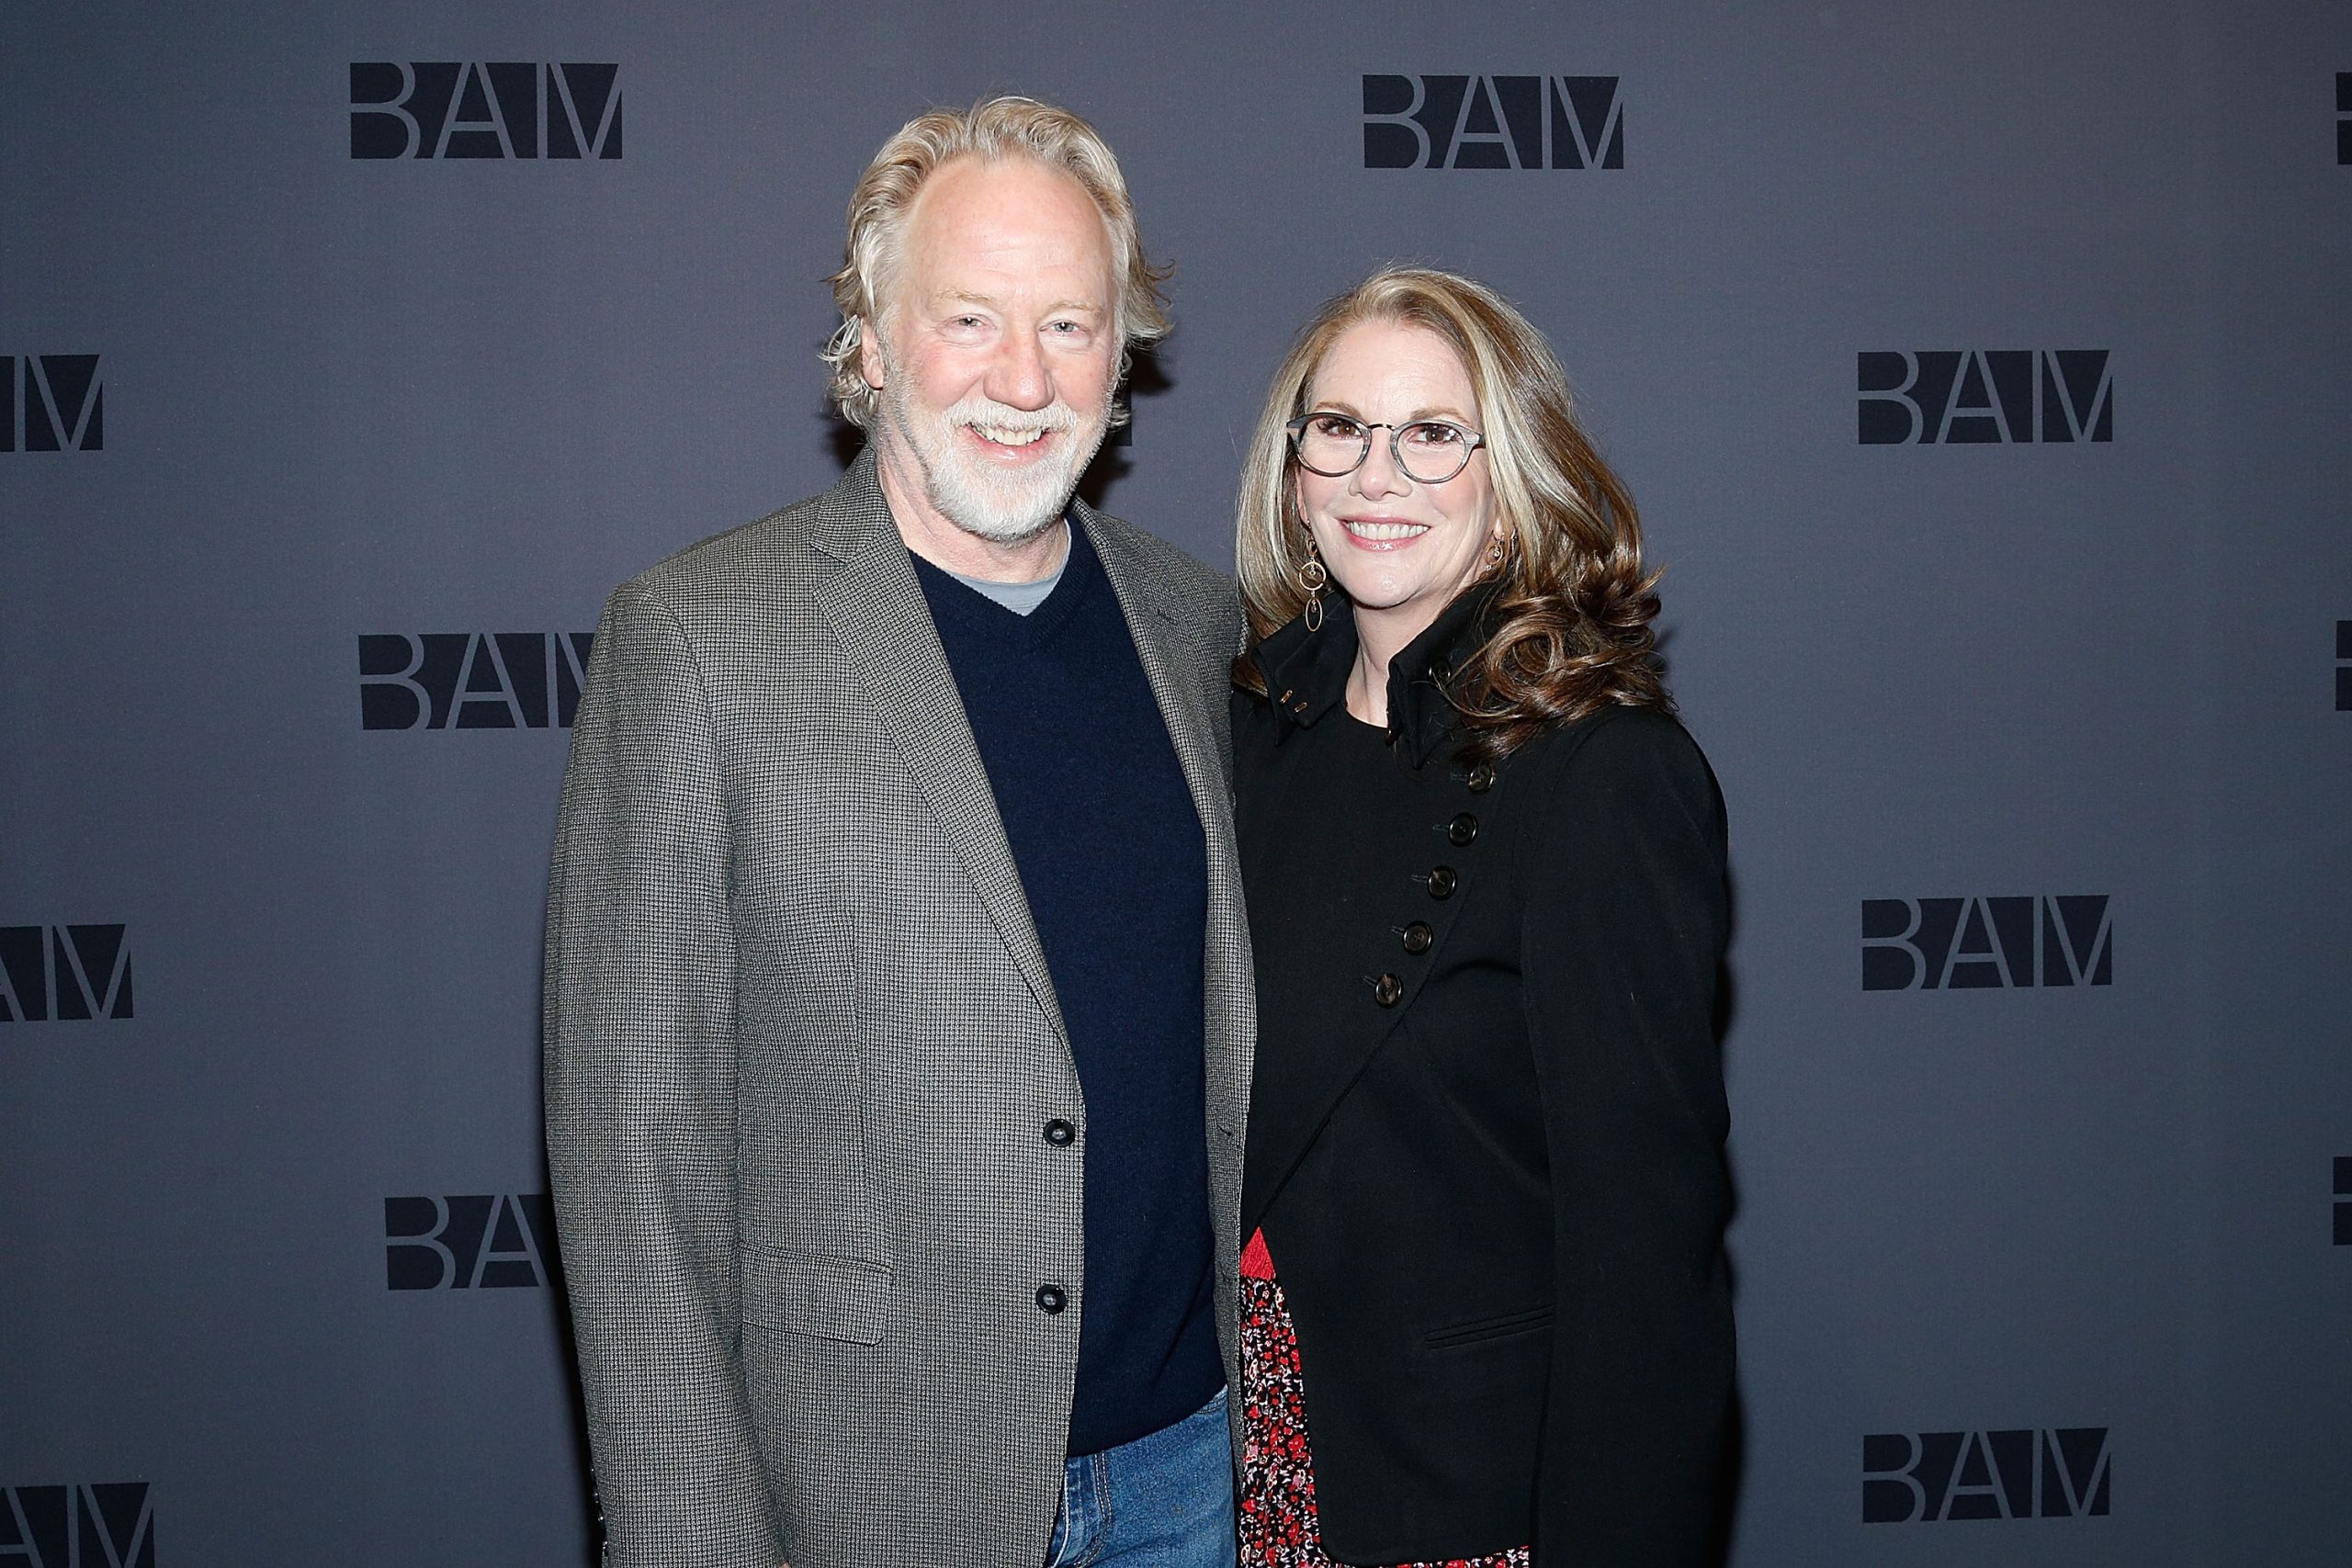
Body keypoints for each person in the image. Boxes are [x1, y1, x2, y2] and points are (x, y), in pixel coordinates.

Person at [543, 96, 1252, 1568]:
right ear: (871, 343)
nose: (1023, 378)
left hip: (1196, 1474)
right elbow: (632, 1170)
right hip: (870, 1491)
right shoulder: (699, 641)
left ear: (1122, 358)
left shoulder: (1198, 623)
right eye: (969, 318)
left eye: (1070, 325)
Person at [1227, 268, 1734, 1566]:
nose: (1375, 475)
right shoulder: (1243, 731)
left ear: (1510, 484)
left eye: (1433, 434)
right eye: (1340, 428)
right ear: (1294, 471)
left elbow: (1645, 1253)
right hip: (1237, 1468)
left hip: (1464, 1495)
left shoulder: (1600, 776)